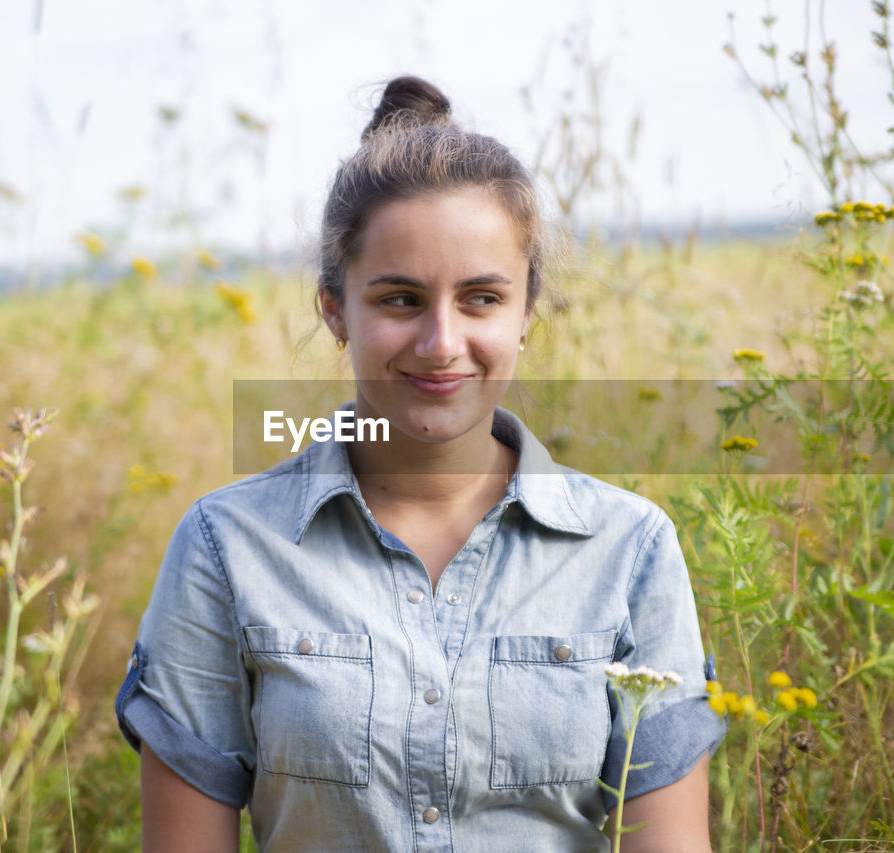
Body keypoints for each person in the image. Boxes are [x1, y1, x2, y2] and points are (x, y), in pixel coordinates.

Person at [115, 75, 724, 852]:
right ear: (335, 309)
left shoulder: (630, 547)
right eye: (400, 299)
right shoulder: (224, 546)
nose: (441, 343)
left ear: (527, 309)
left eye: (481, 299)